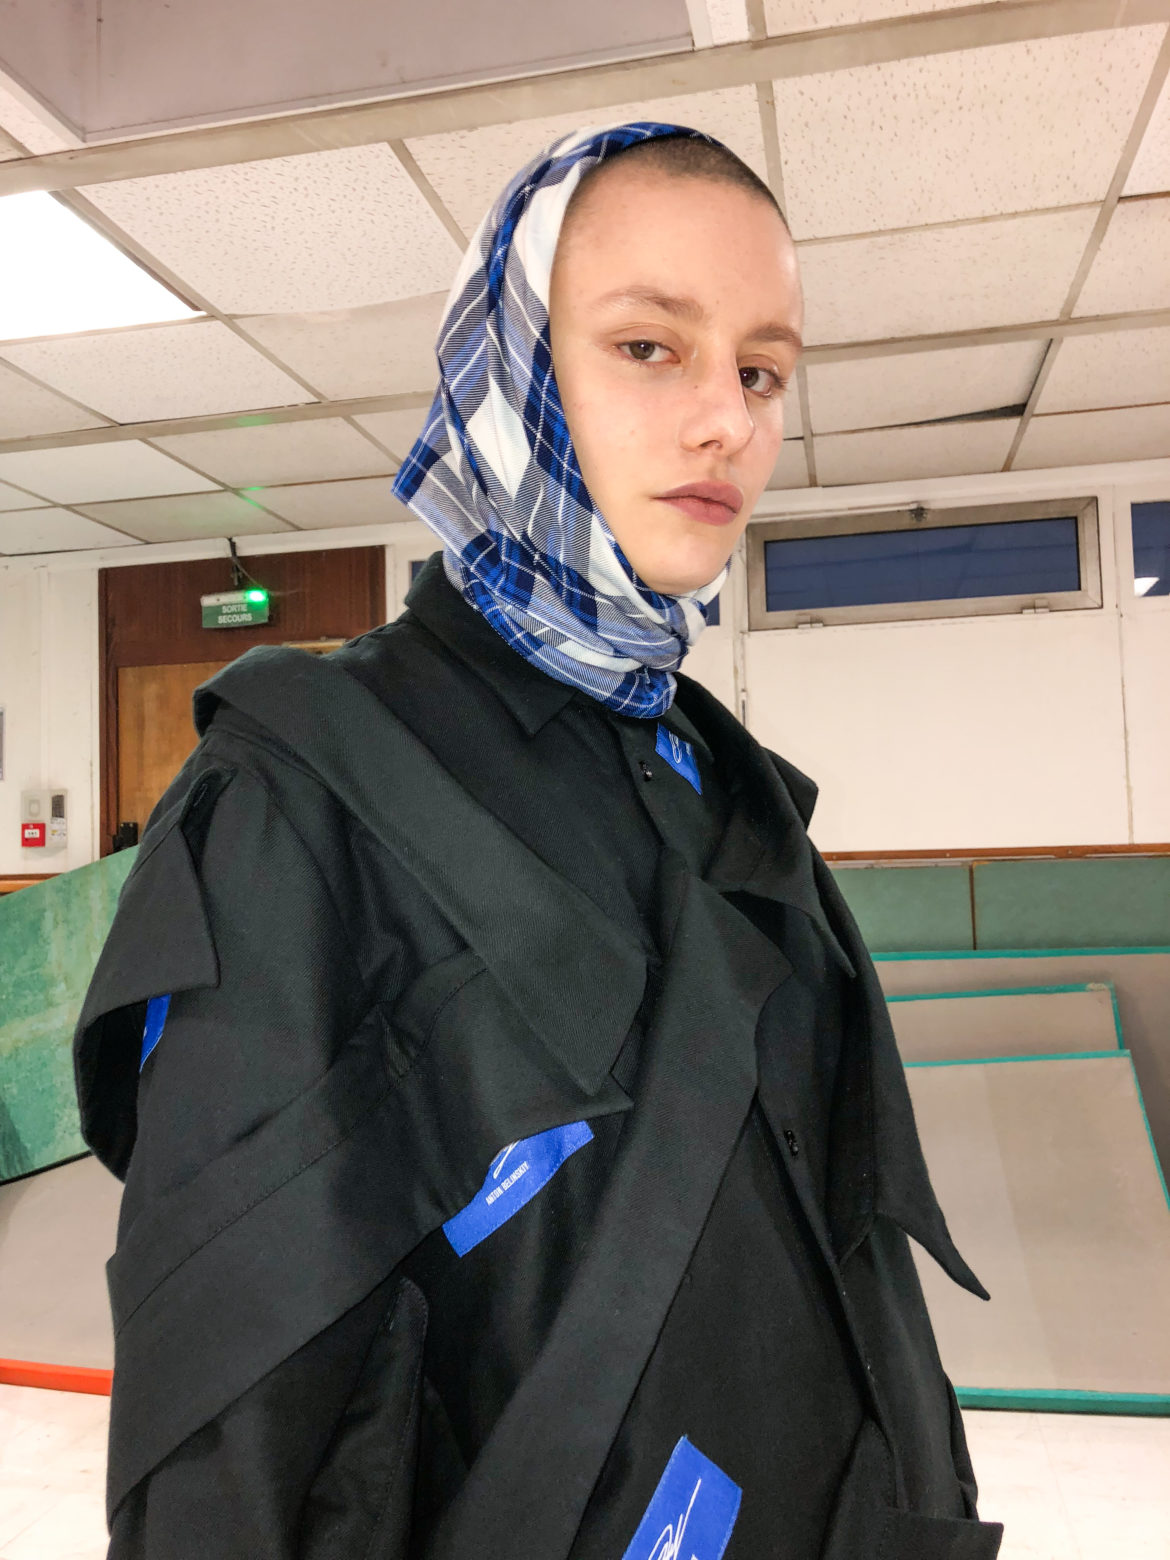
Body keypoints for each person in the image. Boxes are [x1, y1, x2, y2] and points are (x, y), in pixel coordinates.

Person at [74, 122, 1004, 1560]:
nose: (728, 421)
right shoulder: (305, 794)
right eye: (649, 347)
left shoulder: (724, 784)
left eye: (761, 370)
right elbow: (230, 1438)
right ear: (508, 362)